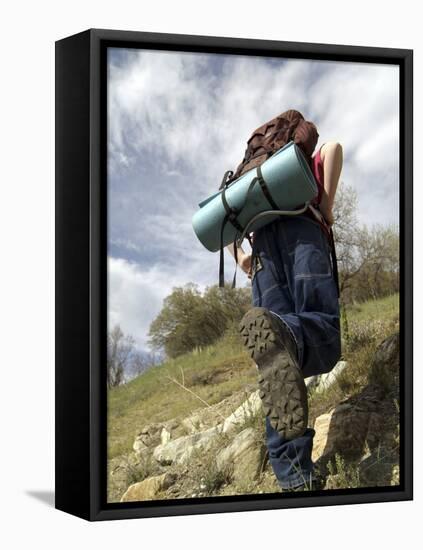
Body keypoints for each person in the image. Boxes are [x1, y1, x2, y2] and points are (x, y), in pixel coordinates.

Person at [228, 122, 343, 491]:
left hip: (261, 251)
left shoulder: (252, 178)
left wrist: (240, 257)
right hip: (303, 229)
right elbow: (333, 148)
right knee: (321, 336)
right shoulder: (298, 162)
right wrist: (326, 205)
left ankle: (294, 477)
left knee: (275, 361)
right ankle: (287, 335)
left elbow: (226, 216)